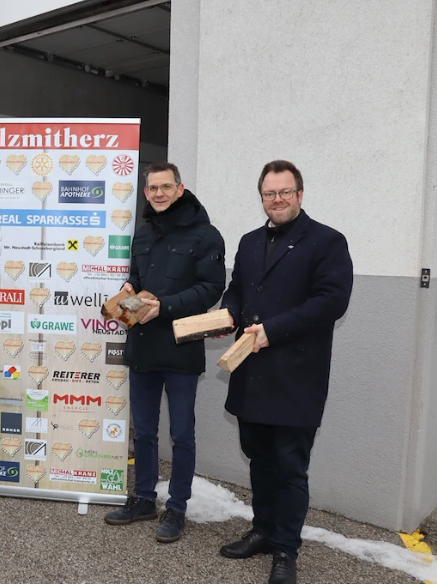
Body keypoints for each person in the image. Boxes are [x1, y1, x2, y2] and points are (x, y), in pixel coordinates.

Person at [218, 160, 353, 584]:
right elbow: (238, 291)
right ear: (261, 197)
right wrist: (226, 315)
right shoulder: (249, 241)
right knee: (259, 459)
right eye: (269, 193)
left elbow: (331, 301)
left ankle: (285, 550)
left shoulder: (327, 241)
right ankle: (263, 530)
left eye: (284, 192)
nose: (277, 200)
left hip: (296, 377)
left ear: (300, 194)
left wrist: (272, 331)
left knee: (291, 468)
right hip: (251, 372)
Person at [104, 162, 225, 543]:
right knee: (143, 431)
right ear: (146, 193)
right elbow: (138, 280)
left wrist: (166, 307)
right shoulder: (142, 235)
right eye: (153, 188)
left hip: (180, 349)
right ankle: (144, 498)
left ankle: (177, 507)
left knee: (182, 434)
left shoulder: (206, 235)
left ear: (179, 189)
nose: (159, 193)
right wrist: (128, 290)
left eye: (166, 187)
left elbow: (212, 288)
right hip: (142, 347)